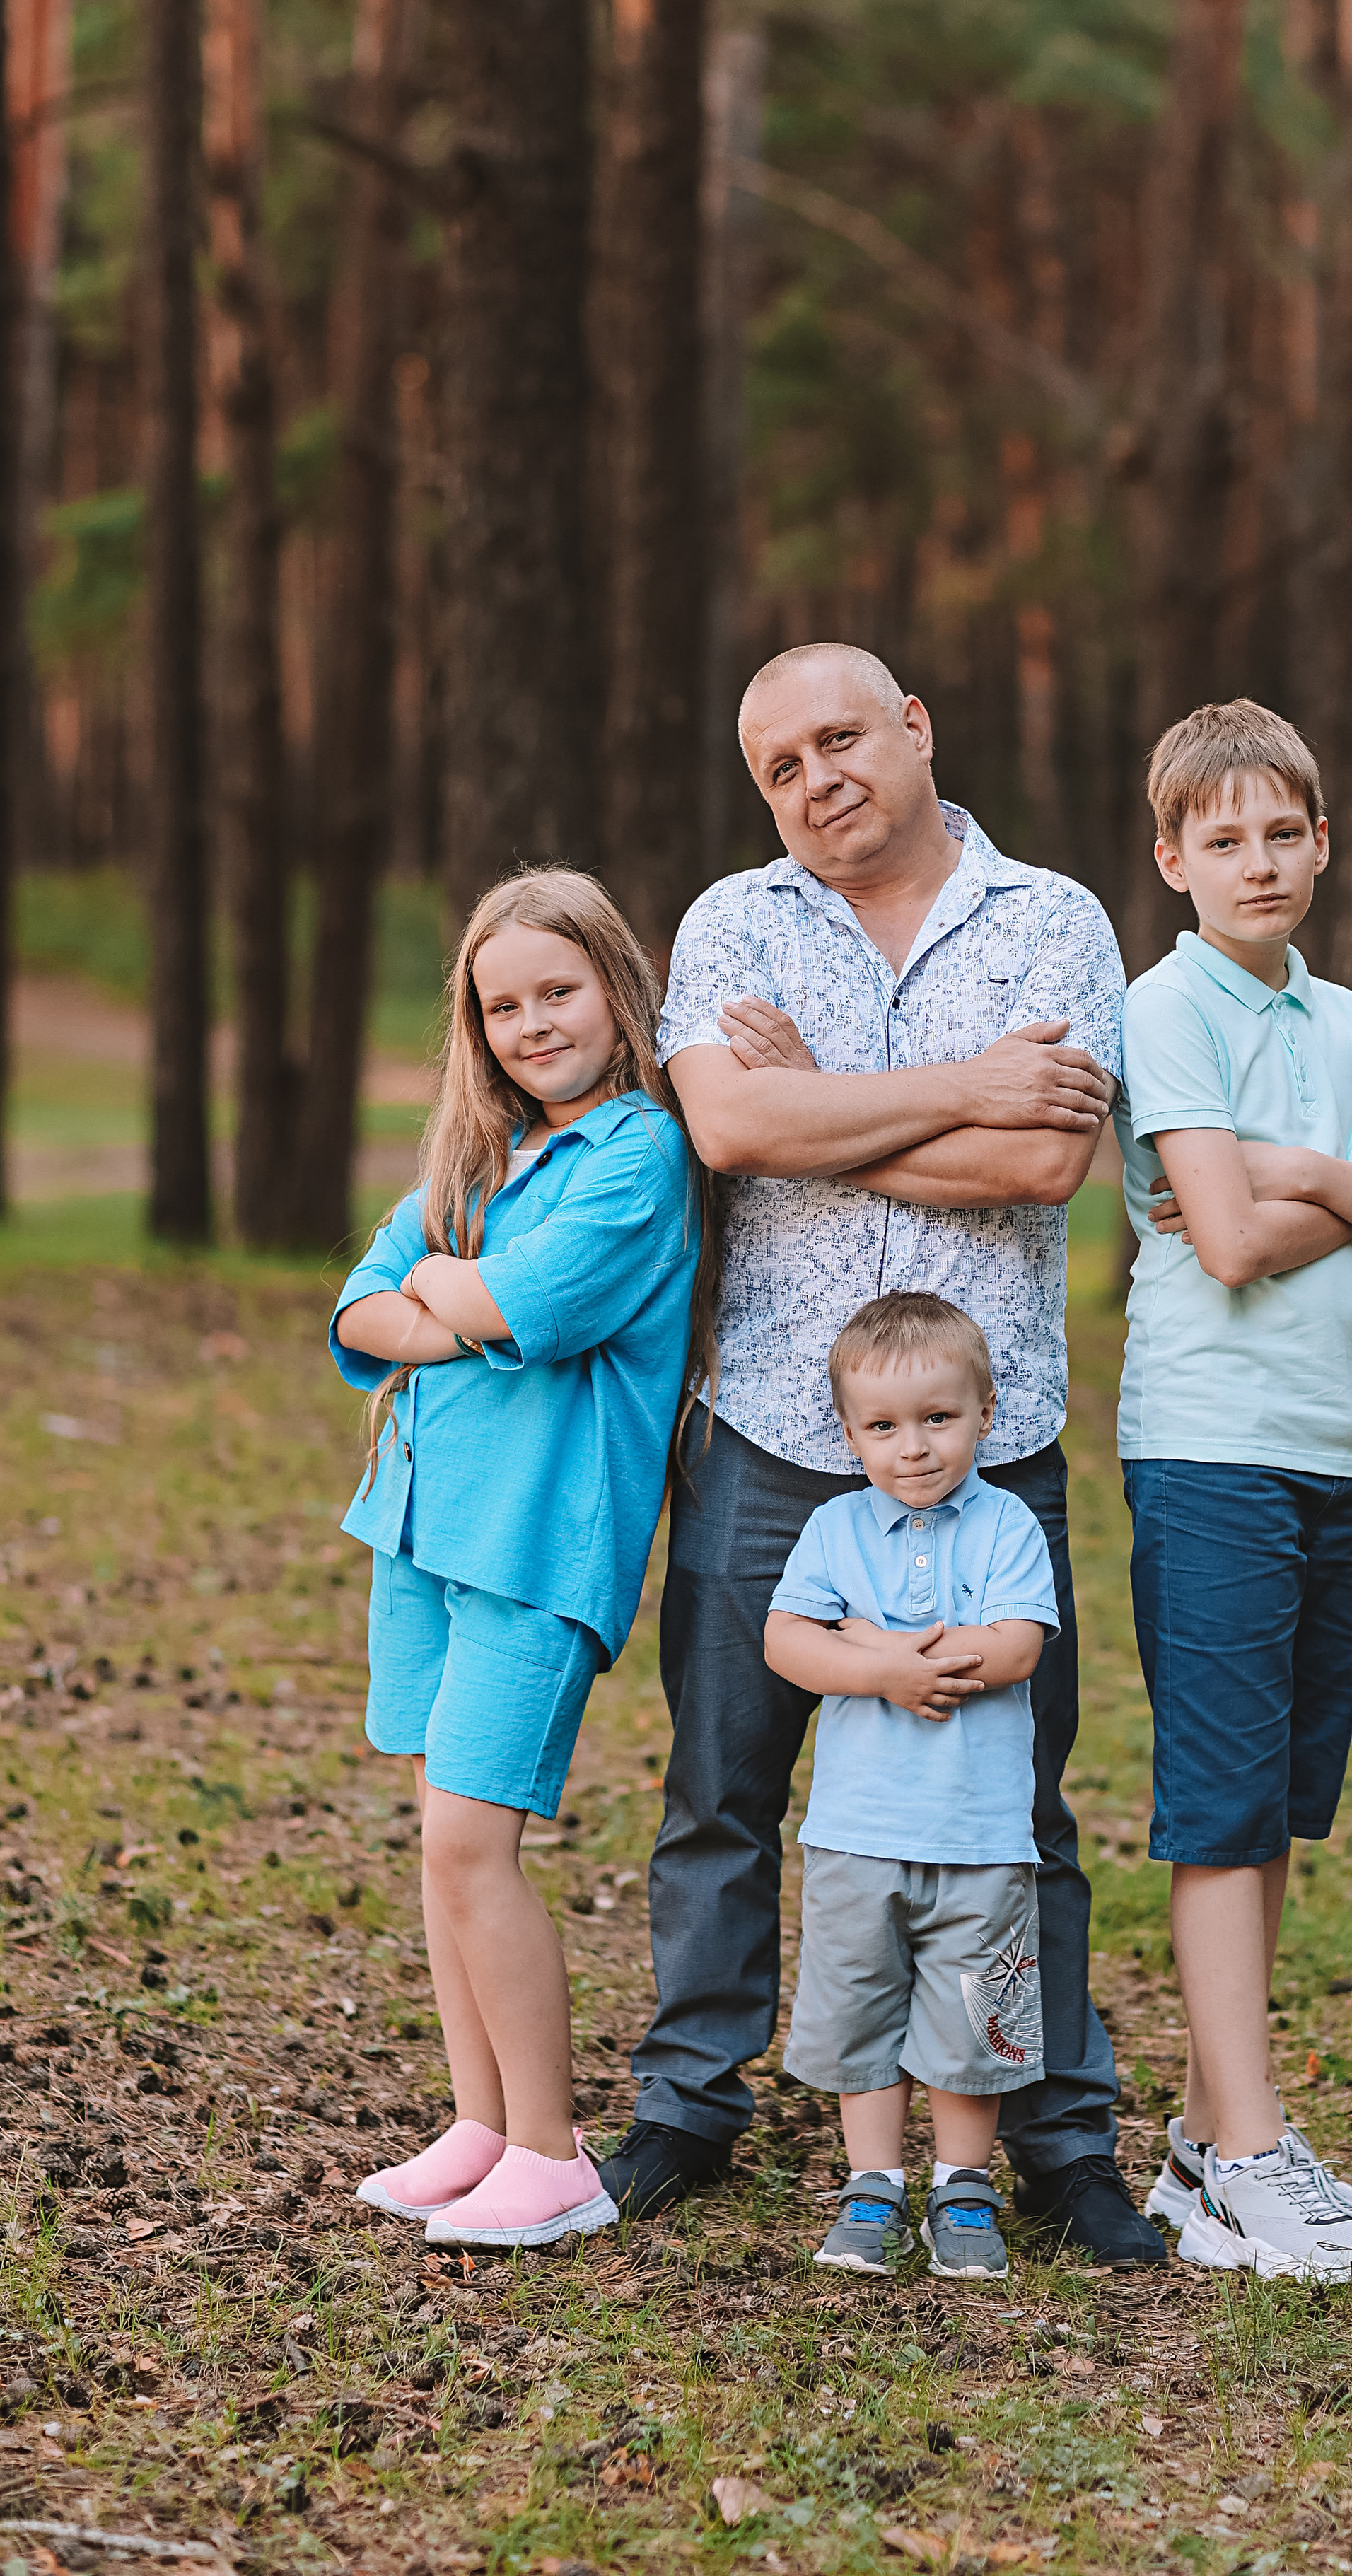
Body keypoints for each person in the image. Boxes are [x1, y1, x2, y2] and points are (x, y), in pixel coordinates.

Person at [602, 639, 1165, 2267]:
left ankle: (1055, 2128)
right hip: (774, 1431)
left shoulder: (1049, 915)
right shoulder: (730, 920)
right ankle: (689, 2102)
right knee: (721, 1788)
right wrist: (956, 1095)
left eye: (838, 740)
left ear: (914, 728)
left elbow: (1047, 1156)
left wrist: (830, 1102)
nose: (813, 781)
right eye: (777, 766)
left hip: (991, 1452)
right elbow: (726, 1129)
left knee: (1017, 1804)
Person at [1114, 699, 1352, 2281]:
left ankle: (1211, 2143)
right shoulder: (1163, 1009)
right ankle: (1247, 2161)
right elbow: (1226, 1243)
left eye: (1281, 833)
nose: (1254, 862)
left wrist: (1315, 1171)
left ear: (1317, 843)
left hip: (1339, 1444)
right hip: (1207, 1443)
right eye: (1221, 839)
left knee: (1273, 1813)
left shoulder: (1347, 1021)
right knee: (1216, 1808)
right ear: (1171, 859)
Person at [329, 870, 711, 2251]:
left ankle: (549, 2154)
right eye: (503, 1006)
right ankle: (480, 2122)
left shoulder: (638, 1155)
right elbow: (361, 1305)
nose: (533, 1023)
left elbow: (526, 1301)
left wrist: (449, 1291)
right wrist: (445, 1299)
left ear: (616, 988)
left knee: (471, 1843)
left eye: (558, 991)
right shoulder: (476, 1160)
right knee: (439, 1848)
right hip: (424, 1529)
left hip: (541, 1549)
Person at [767, 1292, 1060, 2281]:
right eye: (885, 1427)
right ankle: (874, 2185)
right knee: (864, 2014)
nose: (916, 1448)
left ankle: (963, 2189)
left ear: (985, 1412)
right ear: (849, 1435)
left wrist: (879, 1643)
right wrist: (882, 1669)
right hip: (857, 1832)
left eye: (939, 1418)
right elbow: (785, 1640)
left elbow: (1017, 1646)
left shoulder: (1008, 1523)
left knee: (973, 2021)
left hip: (980, 1839)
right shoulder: (837, 1529)